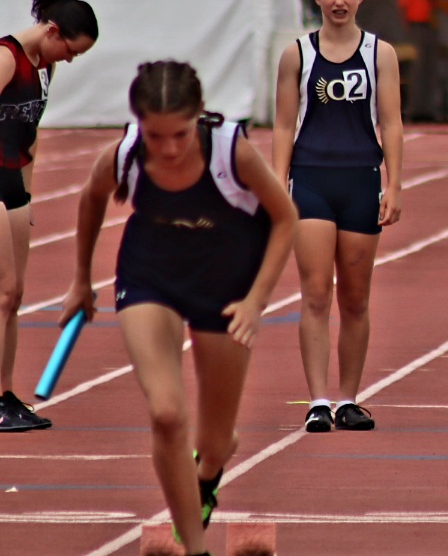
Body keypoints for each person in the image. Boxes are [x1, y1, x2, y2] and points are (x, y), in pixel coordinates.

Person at [60, 61, 296, 556]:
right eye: (156, 136)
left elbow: (285, 217)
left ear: (200, 116)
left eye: (181, 135)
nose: (168, 149)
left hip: (225, 286)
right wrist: (81, 280)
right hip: (150, 276)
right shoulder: (124, 155)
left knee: (215, 441)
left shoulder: (231, 150)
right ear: (138, 123)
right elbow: (90, 198)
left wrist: (256, 300)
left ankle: (208, 469)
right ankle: (195, 548)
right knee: (166, 414)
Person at [274, 0, 403, 434]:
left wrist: (394, 183)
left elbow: (391, 123)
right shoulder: (297, 54)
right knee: (314, 293)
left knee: (355, 297)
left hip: (360, 180)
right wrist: (277, 185)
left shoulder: (380, 54)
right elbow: (283, 124)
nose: (339, 2)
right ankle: (318, 401)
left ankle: (348, 398)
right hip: (310, 180)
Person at [0, 0, 98, 432]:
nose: (71, 60)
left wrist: (28, 192)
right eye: (71, 50)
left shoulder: (45, 68)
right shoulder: (6, 58)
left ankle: (6, 395)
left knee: (13, 296)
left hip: (13, 185)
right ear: (53, 31)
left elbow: (30, 132)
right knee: (4, 289)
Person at [396, 0, 442, 122]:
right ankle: (414, 110)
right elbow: (403, 7)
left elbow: (435, 5)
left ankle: (427, 109)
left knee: (430, 69)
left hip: (430, 27)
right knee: (417, 69)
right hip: (416, 27)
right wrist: (408, 28)